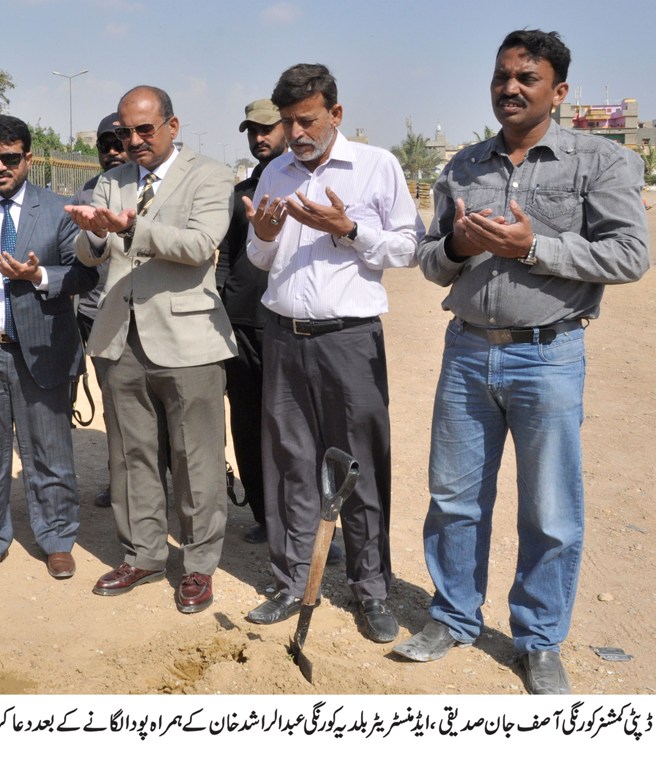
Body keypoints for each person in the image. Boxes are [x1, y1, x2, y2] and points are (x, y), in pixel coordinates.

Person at [394, 30, 650, 694]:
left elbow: (628, 255)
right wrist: (453, 243)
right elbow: (428, 262)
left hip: (550, 356)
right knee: (454, 499)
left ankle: (538, 640)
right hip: (468, 353)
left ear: (558, 92)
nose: (510, 87)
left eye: (527, 78)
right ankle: (452, 617)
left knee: (550, 510)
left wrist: (535, 246)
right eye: (502, 76)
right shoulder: (465, 166)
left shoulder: (600, 161)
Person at [242, 64, 422, 643]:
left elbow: (409, 248)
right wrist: (265, 236)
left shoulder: (377, 166)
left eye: (307, 120)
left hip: (349, 341)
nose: (296, 132)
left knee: (359, 468)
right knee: (290, 465)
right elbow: (259, 259)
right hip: (284, 337)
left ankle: (371, 591)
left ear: (336, 115)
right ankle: (293, 581)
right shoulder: (273, 172)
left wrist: (349, 228)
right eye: (289, 121)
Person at [66, 85, 236, 614]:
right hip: (121, 336)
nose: (134, 140)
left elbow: (199, 246)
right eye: (125, 131)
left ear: (172, 126)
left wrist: (133, 227)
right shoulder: (110, 181)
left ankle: (199, 565)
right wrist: (93, 235)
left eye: (145, 130)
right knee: (130, 455)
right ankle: (141, 554)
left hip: (188, 339)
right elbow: (88, 253)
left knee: (196, 457)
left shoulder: (210, 175)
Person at [0, 115, 97, 583]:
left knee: (49, 450)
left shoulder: (59, 210)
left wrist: (38, 276)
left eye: (10, 157)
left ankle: (56, 538)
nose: (1, 167)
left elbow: (85, 275)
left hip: (42, 346)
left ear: (29, 157)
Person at [216, 99, 287, 545]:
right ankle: (263, 513)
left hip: (286, 320)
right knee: (246, 422)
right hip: (242, 321)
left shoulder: (304, 184)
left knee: (291, 428)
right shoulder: (242, 190)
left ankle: (300, 520)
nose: (259, 138)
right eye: (252, 131)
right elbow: (225, 256)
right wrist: (222, 302)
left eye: (267, 129)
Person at [74, 112, 127, 509]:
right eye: (104, 146)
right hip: (96, 314)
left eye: (118, 143)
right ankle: (121, 479)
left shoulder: (149, 190)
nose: (112, 152)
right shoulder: (85, 195)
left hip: (142, 313)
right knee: (116, 406)